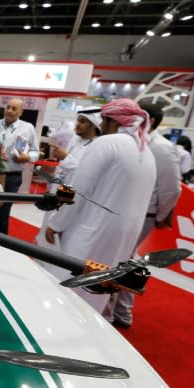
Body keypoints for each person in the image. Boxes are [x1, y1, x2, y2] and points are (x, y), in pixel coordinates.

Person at [44, 98, 156, 314]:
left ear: (113, 122)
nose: (101, 126)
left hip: (89, 231)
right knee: (100, 288)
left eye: (104, 121)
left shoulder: (106, 143)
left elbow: (79, 189)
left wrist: (56, 223)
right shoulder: (147, 153)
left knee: (67, 287)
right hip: (124, 237)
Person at [102, 102, 180, 327]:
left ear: (150, 120)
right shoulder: (136, 142)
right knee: (128, 259)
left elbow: (172, 188)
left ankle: (109, 312)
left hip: (144, 212)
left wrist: (160, 215)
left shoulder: (162, 148)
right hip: (128, 208)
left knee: (118, 259)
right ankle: (122, 312)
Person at [35, 108, 101, 247]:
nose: (78, 124)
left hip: (72, 197)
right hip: (57, 190)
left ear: (94, 125)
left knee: (60, 238)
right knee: (47, 225)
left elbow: (86, 173)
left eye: (83, 122)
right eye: (78, 120)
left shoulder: (97, 146)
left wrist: (65, 157)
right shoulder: (74, 139)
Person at [0, 97, 39, 233]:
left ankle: (0, 245)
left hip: (12, 177)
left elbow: (36, 152)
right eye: (8, 107)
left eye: (14, 108)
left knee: (1, 213)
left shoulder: (27, 128)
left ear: (20, 112)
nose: (9, 110)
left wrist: (27, 157)